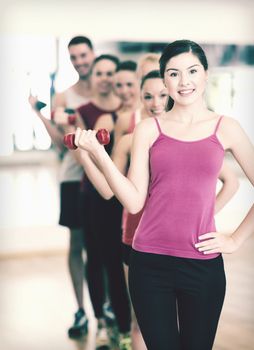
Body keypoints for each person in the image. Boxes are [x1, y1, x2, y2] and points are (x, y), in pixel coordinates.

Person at [73, 39, 254, 350]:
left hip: (202, 265)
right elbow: (133, 201)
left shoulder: (227, 128)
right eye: (173, 73)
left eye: (192, 71)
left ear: (206, 74)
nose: (184, 82)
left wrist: (236, 239)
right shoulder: (148, 129)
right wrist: (97, 154)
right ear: (164, 79)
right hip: (149, 264)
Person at [29, 35, 95, 339]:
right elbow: (59, 145)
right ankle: (81, 310)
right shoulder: (63, 98)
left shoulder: (110, 90)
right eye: (74, 57)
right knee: (78, 244)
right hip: (73, 178)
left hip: (105, 179)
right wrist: (40, 115)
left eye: (83, 55)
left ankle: (106, 310)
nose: (80, 61)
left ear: (92, 54)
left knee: (104, 248)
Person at [74, 55, 132, 349]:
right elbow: (88, 158)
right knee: (100, 260)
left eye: (122, 80)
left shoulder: (145, 117)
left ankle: (128, 326)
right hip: (100, 194)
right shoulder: (102, 118)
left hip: (129, 197)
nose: (116, 84)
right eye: (107, 76)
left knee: (122, 265)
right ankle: (106, 323)